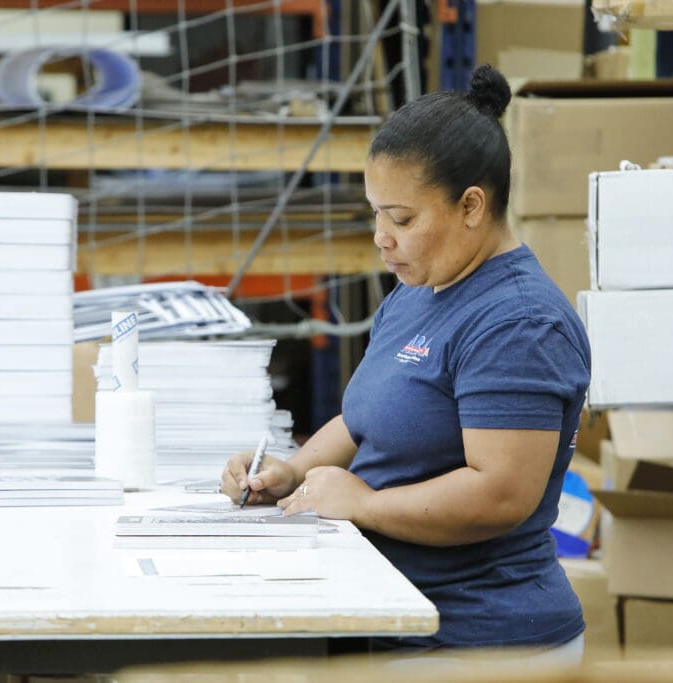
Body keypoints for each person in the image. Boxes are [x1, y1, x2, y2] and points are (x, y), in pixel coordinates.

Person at [221, 64, 591, 654]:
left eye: (402, 218)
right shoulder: (418, 290)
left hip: (480, 637)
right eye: (376, 214)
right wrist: (291, 472)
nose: (381, 237)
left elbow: (500, 494)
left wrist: (364, 504)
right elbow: (366, 419)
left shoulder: (520, 323)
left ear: (472, 206)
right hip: (399, 612)